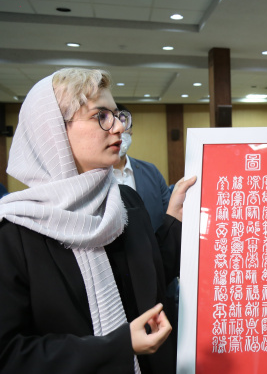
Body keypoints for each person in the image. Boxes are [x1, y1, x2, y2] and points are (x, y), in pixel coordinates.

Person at [0, 68, 196, 373]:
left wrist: (175, 220)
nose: (119, 127)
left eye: (118, 115)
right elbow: (10, 353)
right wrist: (117, 347)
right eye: (101, 116)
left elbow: (151, 278)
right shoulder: (16, 232)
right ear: (53, 132)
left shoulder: (124, 202)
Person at [114, 103, 172, 232]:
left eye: (125, 124)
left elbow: (168, 215)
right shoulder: (91, 175)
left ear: (131, 131)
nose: (120, 131)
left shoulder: (151, 172)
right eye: (113, 124)